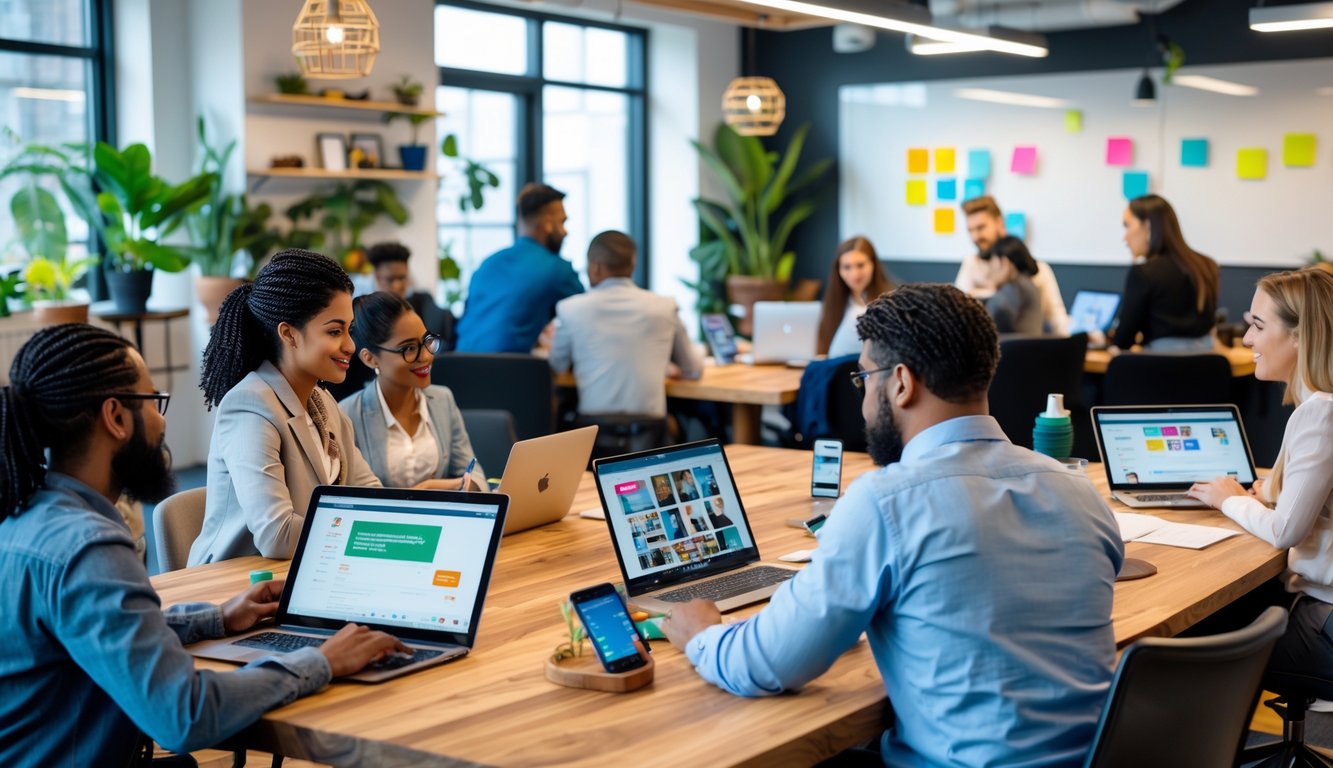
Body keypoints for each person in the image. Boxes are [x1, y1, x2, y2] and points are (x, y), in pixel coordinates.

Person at [661, 284, 1124, 766]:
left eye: (864, 379)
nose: (863, 402)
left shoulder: (887, 502)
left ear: (901, 383)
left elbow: (768, 662)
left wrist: (702, 636)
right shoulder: (1079, 491)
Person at [0, 324, 405, 766]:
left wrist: (215, 619)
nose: (162, 422)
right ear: (115, 417)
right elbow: (184, 714)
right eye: (154, 402)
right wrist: (321, 661)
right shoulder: (89, 547)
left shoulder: (25, 515)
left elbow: (102, 633)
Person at [1187, 267, 1333, 681]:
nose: (1247, 339)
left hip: (1324, 622)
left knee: (1190, 639)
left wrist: (1229, 499)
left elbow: (1286, 531)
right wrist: (1269, 492)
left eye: (1258, 325)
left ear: (1300, 335)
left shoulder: (1320, 414)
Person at [190, 249, 381, 565]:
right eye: (335, 331)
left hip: (309, 569)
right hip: (239, 581)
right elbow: (277, 535)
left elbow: (369, 493)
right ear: (289, 334)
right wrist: (364, 535)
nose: (350, 345)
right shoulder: (249, 406)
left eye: (350, 329)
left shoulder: (323, 403)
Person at [549, 230, 703, 417]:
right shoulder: (665, 306)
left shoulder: (570, 309)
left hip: (593, 428)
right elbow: (693, 370)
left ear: (595, 267)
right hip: (651, 428)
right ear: (633, 263)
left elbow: (556, 365)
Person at [339, 291, 482, 489]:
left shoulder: (442, 399)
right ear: (370, 358)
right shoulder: (346, 415)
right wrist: (426, 492)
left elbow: (475, 477)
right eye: (409, 348)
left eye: (427, 341)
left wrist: (431, 487)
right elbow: (354, 495)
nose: (426, 357)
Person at [454, 183, 585, 353]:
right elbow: (589, 316)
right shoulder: (557, 269)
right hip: (507, 366)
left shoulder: (488, 264)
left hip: (458, 363)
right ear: (547, 223)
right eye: (562, 222)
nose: (565, 232)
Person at [1112, 194, 1220, 352]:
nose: (1125, 237)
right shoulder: (1207, 265)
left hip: (1157, 365)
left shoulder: (1142, 273)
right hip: (1206, 362)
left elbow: (1123, 341)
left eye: (1127, 225)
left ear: (1147, 226)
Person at [955, 195, 1070, 336]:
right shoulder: (972, 264)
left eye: (981, 228)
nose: (975, 237)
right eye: (970, 230)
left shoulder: (1039, 271)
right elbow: (959, 311)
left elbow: (1057, 320)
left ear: (999, 224)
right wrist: (991, 289)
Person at [367, 241, 455, 348]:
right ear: (376, 275)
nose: (397, 285)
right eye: (390, 279)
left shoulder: (422, 305)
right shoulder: (365, 314)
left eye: (402, 278)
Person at [817, 236, 893, 357]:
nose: (854, 274)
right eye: (847, 267)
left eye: (860, 265)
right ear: (838, 269)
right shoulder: (834, 302)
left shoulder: (891, 302)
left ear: (873, 264)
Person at [982, 235, 1044, 335]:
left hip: (1015, 344)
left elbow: (993, 316)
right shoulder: (1026, 283)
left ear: (1004, 262)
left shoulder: (1016, 286)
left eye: (992, 261)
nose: (990, 269)